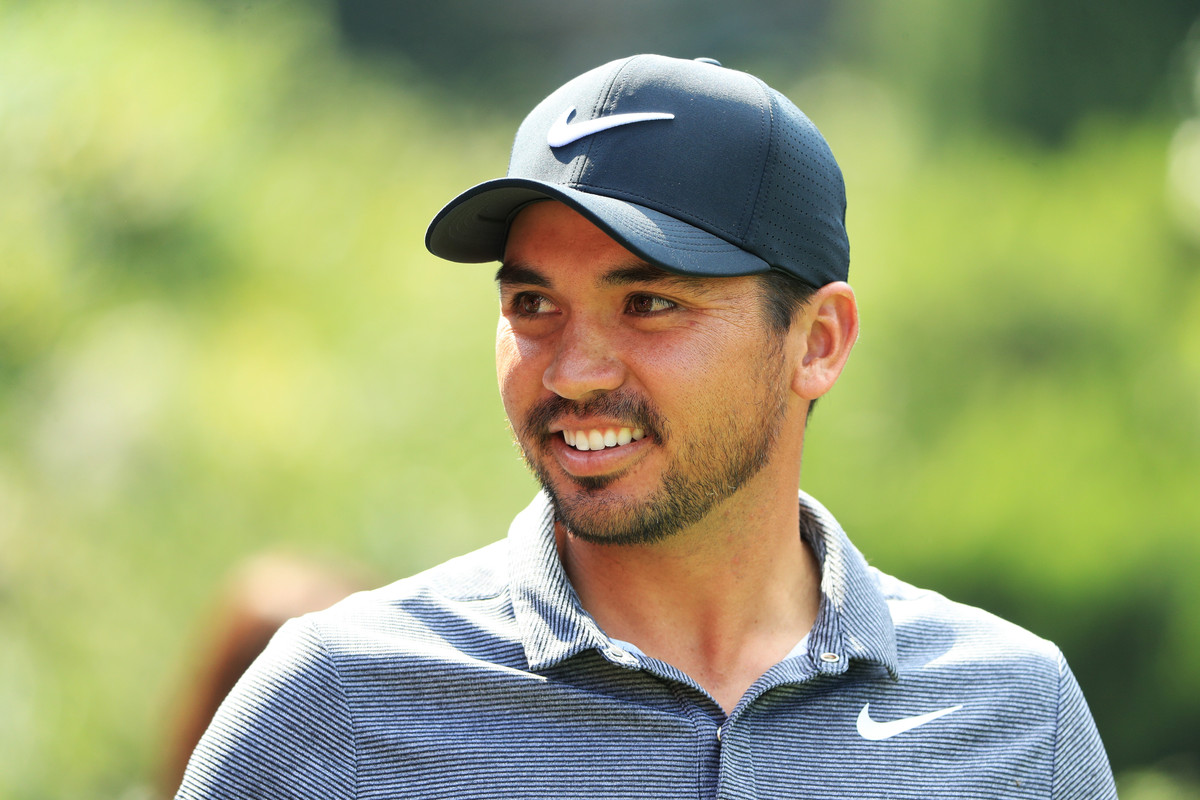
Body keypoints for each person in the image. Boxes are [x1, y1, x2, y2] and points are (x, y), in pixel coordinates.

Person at [176, 54, 1117, 799]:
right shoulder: (330, 708)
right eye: (534, 304)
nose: (575, 371)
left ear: (817, 341)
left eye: (652, 304)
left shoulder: (1017, 716)